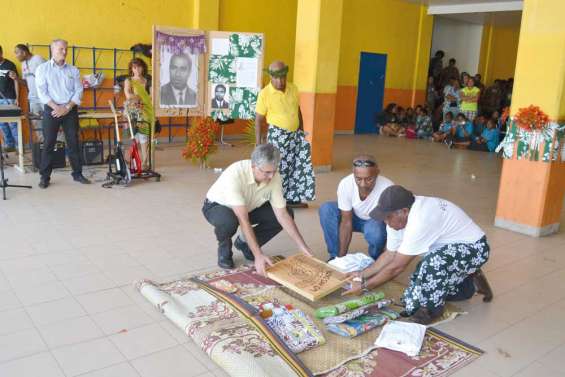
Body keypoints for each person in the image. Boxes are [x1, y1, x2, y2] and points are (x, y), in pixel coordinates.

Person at [343, 185, 493, 324]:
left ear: (404, 211)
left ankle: (432, 311)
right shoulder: (397, 219)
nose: (386, 222)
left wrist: (365, 287)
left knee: (433, 265)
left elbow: (397, 267)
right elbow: (390, 255)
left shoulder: (420, 219)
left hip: (475, 248)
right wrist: (361, 275)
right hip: (448, 250)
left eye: (388, 217)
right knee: (412, 299)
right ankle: (468, 284)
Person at [202, 143, 313, 275]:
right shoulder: (235, 175)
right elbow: (243, 220)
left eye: (274, 171)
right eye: (267, 172)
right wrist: (259, 255)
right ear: (254, 167)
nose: (271, 176)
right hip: (218, 206)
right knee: (229, 221)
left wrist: (302, 246)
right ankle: (224, 248)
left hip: (248, 206)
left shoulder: (273, 177)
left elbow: (282, 215)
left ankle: (245, 244)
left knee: (288, 212)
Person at [255, 60, 315, 208]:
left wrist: (301, 130)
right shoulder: (265, 94)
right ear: (271, 77)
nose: (280, 81)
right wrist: (258, 144)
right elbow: (258, 120)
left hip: (295, 134)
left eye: (283, 77)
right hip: (278, 135)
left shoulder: (293, 88)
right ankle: (273, 199)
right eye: (277, 78)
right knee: (278, 167)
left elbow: (297, 110)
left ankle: (292, 198)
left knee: (295, 166)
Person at [35, 39, 90, 188]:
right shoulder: (43, 69)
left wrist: (67, 107)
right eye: (61, 49)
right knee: (48, 143)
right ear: (52, 50)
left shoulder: (73, 70)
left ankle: (77, 174)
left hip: (70, 110)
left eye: (66, 49)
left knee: (73, 142)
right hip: (51, 109)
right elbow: (42, 92)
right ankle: (44, 177)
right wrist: (56, 107)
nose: (64, 52)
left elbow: (79, 91)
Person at [319, 155, 393, 261]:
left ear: (377, 172)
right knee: (327, 209)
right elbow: (346, 222)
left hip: (375, 221)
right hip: (352, 217)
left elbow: (391, 227)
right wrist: (341, 260)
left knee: (375, 232)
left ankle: (376, 258)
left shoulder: (388, 188)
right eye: (358, 179)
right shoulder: (346, 184)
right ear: (353, 173)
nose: (363, 184)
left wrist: (386, 258)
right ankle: (335, 257)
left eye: (369, 179)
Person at [124, 58, 154, 171]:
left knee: (144, 136)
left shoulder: (148, 80)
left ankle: (145, 161)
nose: (137, 70)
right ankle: (130, 160)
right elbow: (128, 95)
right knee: (132, 136)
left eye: (139, 67)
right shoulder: (129, 80)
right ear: (131, 69)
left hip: (145, 111)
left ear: (143, 67)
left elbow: (152, 95)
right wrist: (142, 98)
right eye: (134, 67)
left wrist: (139, 98)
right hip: (132, 112)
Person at [12, 44, 45, 142]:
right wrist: (16, 78)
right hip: (33, 98)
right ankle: (43, 147)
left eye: (17, 53)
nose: (16, 56)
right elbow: (25, 82)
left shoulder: (38, 59)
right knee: (36, 123)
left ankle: (61, 149)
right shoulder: (23, 64)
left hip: (45, 97)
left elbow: (50, 75)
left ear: (24, 52)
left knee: (52, 122)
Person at [0, 45, 20, 152]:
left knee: (13, 124)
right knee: (2, 124)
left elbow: (16, 81)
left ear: (1, 53)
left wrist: (17, 98)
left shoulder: (10, 65)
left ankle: (18, 147)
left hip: (9, 99)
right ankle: (10, 145)